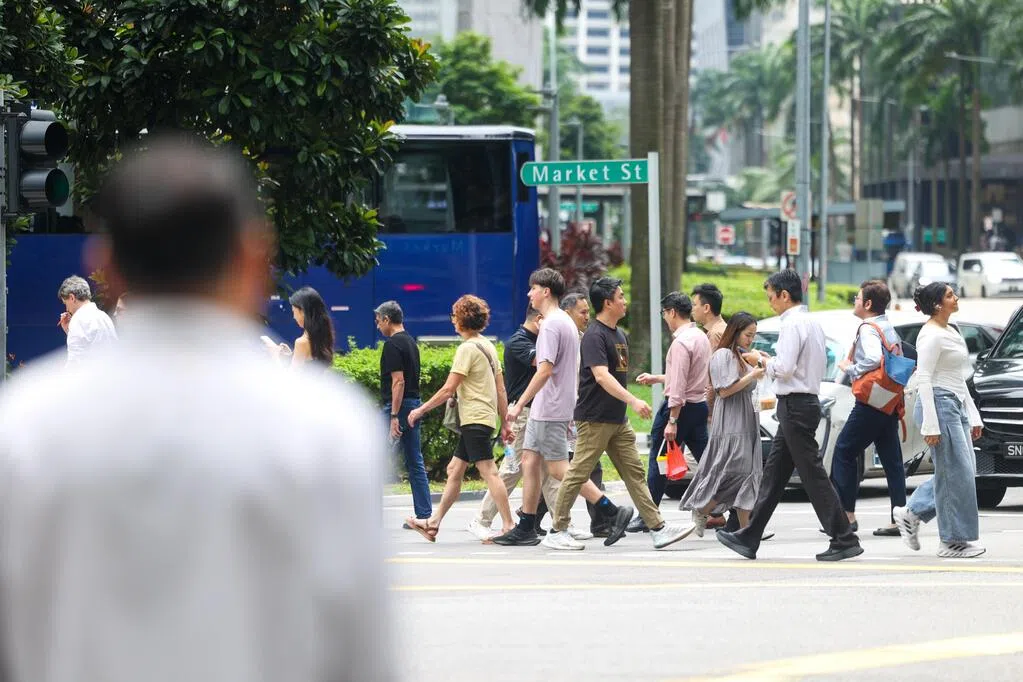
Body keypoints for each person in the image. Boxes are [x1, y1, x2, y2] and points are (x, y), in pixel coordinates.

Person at [0, 137, 395, 681]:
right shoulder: (327, 430)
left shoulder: (25, 427)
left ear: (106, 267)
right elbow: (360, 659)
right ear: (254, 259)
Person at [717, 269, 863, 562]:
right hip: (803, 402)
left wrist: (761, 360)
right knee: (774, 476)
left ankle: (844, 537)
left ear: (784, 295)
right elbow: (798, 365)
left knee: (813, 475)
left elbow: (783, 369)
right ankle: (750, 536)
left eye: (771, 297)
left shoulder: (792, 324)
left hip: (795, 405)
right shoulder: (812, 322)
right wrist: (773, 363)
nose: (770, 303)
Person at [548, 276, 694, 551]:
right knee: (578, 473)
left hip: (616, 420)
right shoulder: (594, 336)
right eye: (621, 297)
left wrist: (626, 406)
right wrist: (633, 401)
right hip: (594, 418)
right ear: (607, 303)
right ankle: (557, 528)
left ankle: (657, 528)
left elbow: (616, 376)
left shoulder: (618, 335)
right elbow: (602, 377)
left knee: (634, 473)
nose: (625, 301)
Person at [492, 269, 601, 549]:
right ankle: (527, 525)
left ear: (546, 292)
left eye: (533, 288)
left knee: (558, 469)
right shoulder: (564, 322)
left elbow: (544, 371)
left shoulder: (552, 325)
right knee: (529, 462)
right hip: (547, 406)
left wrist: (517, 406)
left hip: (549, 407)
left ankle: (608, 507)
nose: (529, 294)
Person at [407, 295, 514, 541]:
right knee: (455, 469)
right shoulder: (487, 346)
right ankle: (433, 523)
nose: (452, 320)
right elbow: (501, 390)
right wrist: (505, 422)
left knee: (489, 471)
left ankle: (509, 525)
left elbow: (447, 389)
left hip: (474, 418)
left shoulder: (467, 349)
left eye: (455, 315)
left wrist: (420, 410)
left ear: (463, 319)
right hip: (480, 418)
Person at [893, 283, 986, 558]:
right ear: (936, 304)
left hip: (954, 404)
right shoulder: (930, 335)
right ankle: (952, 541)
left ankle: (912, 512)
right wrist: (930, 425)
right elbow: (924, 378)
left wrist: (973, 415)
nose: (955, 297)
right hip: (938, 404)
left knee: (962, 473)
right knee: (955, 473)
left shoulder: (951, 331)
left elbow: (958, 377)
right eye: (949, 295)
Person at [467, 307, 559, 540]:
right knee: (513, 468)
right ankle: (481, 519)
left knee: (549, 470)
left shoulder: (539, 339)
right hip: (522, 414)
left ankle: (561, 524)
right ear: (538, 319)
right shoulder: (518, 342)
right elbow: (543, 363)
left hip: (540, 413)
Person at [630, 292, 711, 533]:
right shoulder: (700, 337)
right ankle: (732, 509)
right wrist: (658, 378)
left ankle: (648, 515)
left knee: (659, 460)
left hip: (680, 409)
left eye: (664, 313)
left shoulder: (680, 343)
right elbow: (690, 377)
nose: (665, 318)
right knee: (708, 461)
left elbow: (678, 387)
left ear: (672, 312)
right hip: (698, 407)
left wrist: (672, 420)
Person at [831, 280, 906, 537]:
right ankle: (899, 518)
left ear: (869, 304)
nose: (855, 300)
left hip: (871, 402)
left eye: (857, 297)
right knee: (892, 461)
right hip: (889, 401)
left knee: (843, 450)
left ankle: (846, 515)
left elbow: (873, 358)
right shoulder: (888, 326)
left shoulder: (868, 328)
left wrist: (851, 369)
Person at [680, 312, 764, 533]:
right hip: (731, 423)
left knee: (748, 473)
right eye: (748, 334)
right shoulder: (722, 355)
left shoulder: (740, 355)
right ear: (735, 332)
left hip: (747, 419)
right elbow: (724, 390)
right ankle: (703, 508)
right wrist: (752, 376)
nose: (750, 340)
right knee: (735, 469)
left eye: (753, 335)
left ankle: (747, 530)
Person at [375, 300, 433, 526]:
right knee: (414, 459)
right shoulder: (410, 342)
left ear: (387, 320)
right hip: (413, 404)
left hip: (397, 408)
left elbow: (398, 382)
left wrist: (393, 417)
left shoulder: (392, 345)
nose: (378, 326)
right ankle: (424, 514)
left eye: (379, 321)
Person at [57, 275, 118, 365]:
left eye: (65, 303)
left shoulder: (78, 320)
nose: (66, 309)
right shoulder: (104, 317)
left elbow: (75, 364)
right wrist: (69, 331)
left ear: (72, 298)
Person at [274, 285, 335, 367]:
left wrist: (274, 355)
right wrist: (292, 354)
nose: (294, 317)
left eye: (294, 311)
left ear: (302, 312)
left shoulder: (301, 342)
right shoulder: (321, 338)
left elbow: (290, 378)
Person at [691, 283, 727, 349]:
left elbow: (711, 359)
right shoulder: (722, 327)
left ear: (706, 308)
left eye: (694, 305)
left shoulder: (714, 334)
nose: (692, 309)